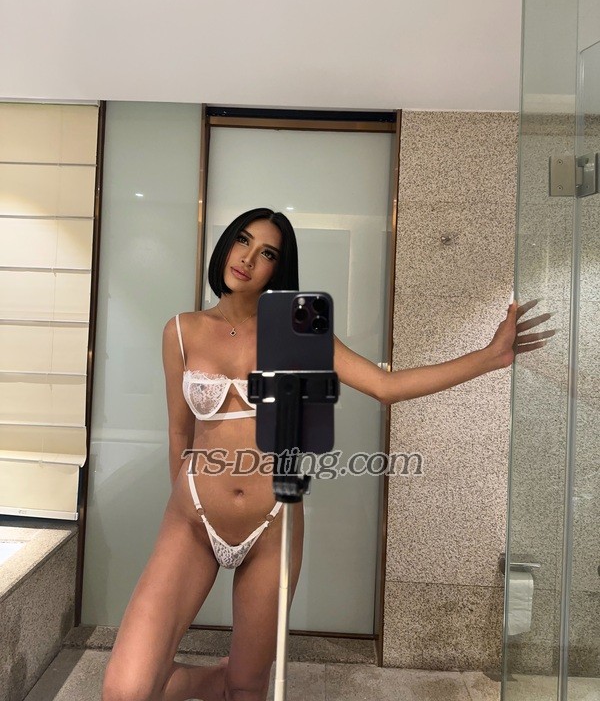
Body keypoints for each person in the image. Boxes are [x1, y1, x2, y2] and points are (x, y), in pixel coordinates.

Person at [101, 207, 553, 701]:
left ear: (279, 268)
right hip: (192, 521)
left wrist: (489, 358)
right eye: (243, 241)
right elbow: (178, 431)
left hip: (272, 522)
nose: (248, 259)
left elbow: (385, 386)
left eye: (267, 253)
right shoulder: (181, 331)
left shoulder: (301, 331)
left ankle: (231, 680)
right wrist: (188, 500)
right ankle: (214, 680)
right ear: (226, 244)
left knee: (248, 687)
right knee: (125, 691)